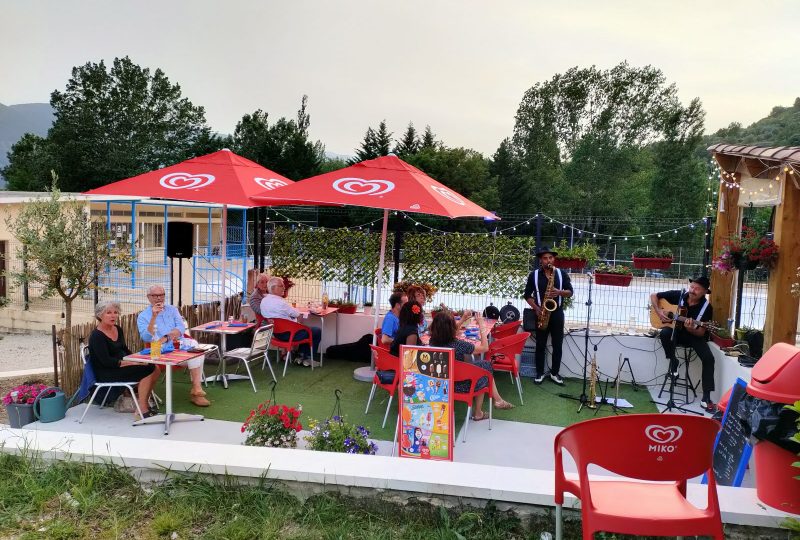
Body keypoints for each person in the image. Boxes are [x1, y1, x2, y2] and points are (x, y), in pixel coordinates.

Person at [428, 311, 514, 421]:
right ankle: (480, 411)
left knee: (483, 367)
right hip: (460, 386)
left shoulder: (432, 342)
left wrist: (463, 319)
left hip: (440, 385)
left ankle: (497, 401)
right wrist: (482, 326)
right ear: (452, 328)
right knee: (485, 369)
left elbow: (447, 331)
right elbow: (485, 348)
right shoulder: (459, 345)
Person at [137, 285, 210, 407]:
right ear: (149, 297)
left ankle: (197, 390)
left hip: (178, 344)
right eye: (155, 295)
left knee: (196, 350)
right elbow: (146, 337)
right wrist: (154, 316)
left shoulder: (172, 309)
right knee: (196, 353)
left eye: (162, 295)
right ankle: (196, 391)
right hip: (158, 349)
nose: (159, 298)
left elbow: (181, 327)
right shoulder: (143, 316)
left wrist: (167, 336)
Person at [650, 276, 716, 412]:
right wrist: (659, 312)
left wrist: (691, 328)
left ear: (705, 292)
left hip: (693, 336)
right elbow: (654, 296)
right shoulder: (680, 295)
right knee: (664, 333)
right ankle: (673, 361)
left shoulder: (706, 308)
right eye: (692, 286)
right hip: (676, 332)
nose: (693, 290)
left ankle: (706, 398)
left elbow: (702, 333)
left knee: (709, 358)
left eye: (697, 289)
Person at [89, 301, 161, 419]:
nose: (113, 316)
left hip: (122, 365)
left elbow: (124, 349)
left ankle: (141, 399)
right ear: (100, 315)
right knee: (148, 370)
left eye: (115, 312)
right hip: (107, 372)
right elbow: (106, 361)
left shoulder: (117, 329)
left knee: (155, 367)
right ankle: (141, 409)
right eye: (109, 313)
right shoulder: (96, 336)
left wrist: (137, 359)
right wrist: (132, 362)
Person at [524, 246, 573, 386]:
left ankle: (554, 373)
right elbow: (527, 295)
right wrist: (537, 308)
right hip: (541, 312)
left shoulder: (561, 274)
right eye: (545, 258)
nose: (548, 260)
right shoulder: (533, 275)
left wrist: (559, 292)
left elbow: (570, 292)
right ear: (541, 260)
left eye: (550, 257)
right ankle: (539, 373)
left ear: (554, 259)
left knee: (558, 344)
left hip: (557, 313)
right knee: (540, 344)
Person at [260, 276, 322, 367]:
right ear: (273, 288)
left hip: (275, 334)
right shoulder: (280, 302)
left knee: (306, 330)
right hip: (290, 334)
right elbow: (296, 314)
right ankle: (307, 358)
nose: (284, 288)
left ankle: (300, 357)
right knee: (316, 331)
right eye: (281, 286)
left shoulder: (264, 301)